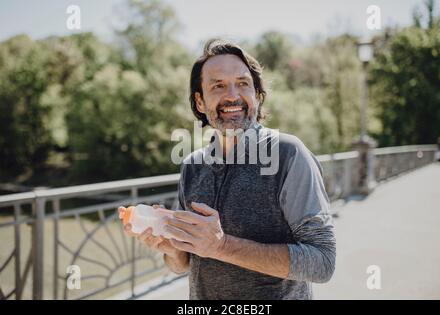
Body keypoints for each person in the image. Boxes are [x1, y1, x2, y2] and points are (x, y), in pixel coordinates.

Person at [120, 39, 336, 300]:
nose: (232, 95)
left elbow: (323, 261)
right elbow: (184, 264)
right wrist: (171, 249)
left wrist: (221, 246)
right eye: (218, 85)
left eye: (243, 83)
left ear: (257, 95)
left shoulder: (289, 154)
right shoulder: (192, 166)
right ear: (200, 102)